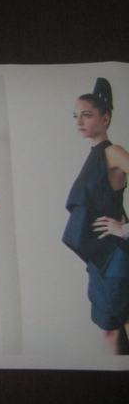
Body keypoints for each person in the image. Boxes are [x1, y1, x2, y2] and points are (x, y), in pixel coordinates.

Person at [62, 78, 129, 354]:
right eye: (75, 116)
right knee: (110, 329)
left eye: (87, 115)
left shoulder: (113, 152)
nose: (79, 122)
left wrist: (124, 229)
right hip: (99, 258)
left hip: (116, 255)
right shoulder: (94, 155)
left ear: (105, 118)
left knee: (123, 321)